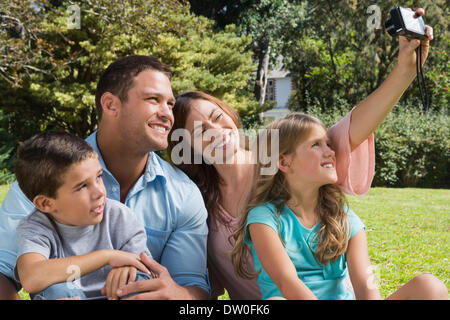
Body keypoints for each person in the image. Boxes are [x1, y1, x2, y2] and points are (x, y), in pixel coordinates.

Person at [161, 9, 435, 300]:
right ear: (187, 146)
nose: (217, 131)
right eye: (201, 131)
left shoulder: (278, 158)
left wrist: (405, 70)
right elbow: (205, 290)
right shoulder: (199, 205)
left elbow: (348, 132)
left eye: (218, 116)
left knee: (429, 288)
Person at [0, 55, 209, 300]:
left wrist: (172, 293)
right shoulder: (43, 176)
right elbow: (5, 273)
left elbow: (192, 286)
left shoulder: (183, 194)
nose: (167, 114)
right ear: (110, 105)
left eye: (170, 104)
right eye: (154, 99)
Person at [231, 113, 447, 300]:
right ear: (284, 162)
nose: (330, 152)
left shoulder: (343, 217)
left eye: (328, 144)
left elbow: (365, 284)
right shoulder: (264, 217)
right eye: (316, 144)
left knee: (429, 287)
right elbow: (287, 283)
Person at [14, 132, 153, 300]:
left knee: (137, 279)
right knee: (57, 290)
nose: (100, 192)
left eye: (99, 177)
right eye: (82, 186)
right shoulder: (36, 227)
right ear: (46, 204)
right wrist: (107, 256)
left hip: (116, 296)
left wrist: (133, 270)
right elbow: (31, 278)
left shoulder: (120, 217)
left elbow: (148, 271)